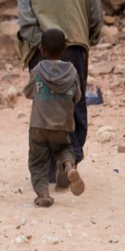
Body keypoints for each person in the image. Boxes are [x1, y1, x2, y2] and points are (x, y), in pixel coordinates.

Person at [17, 0, 103, 186]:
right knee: (74, 105)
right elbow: (95, 14)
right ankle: (69, 161)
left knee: (44, 107)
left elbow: (25, 18)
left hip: (41, 49)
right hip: (76, 46)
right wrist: (88, 40)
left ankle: (48, 164)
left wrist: (39, 46)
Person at [23, 28, 85, 207]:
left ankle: (43, 194)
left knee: (38, 160)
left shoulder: (37, 70)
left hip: (39, 125)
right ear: (65, 47)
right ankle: (68, 166)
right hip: (62, 124)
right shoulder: (72, 71)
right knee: (65, 148)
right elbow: (77, 97)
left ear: (41, 50)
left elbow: (28, 93)